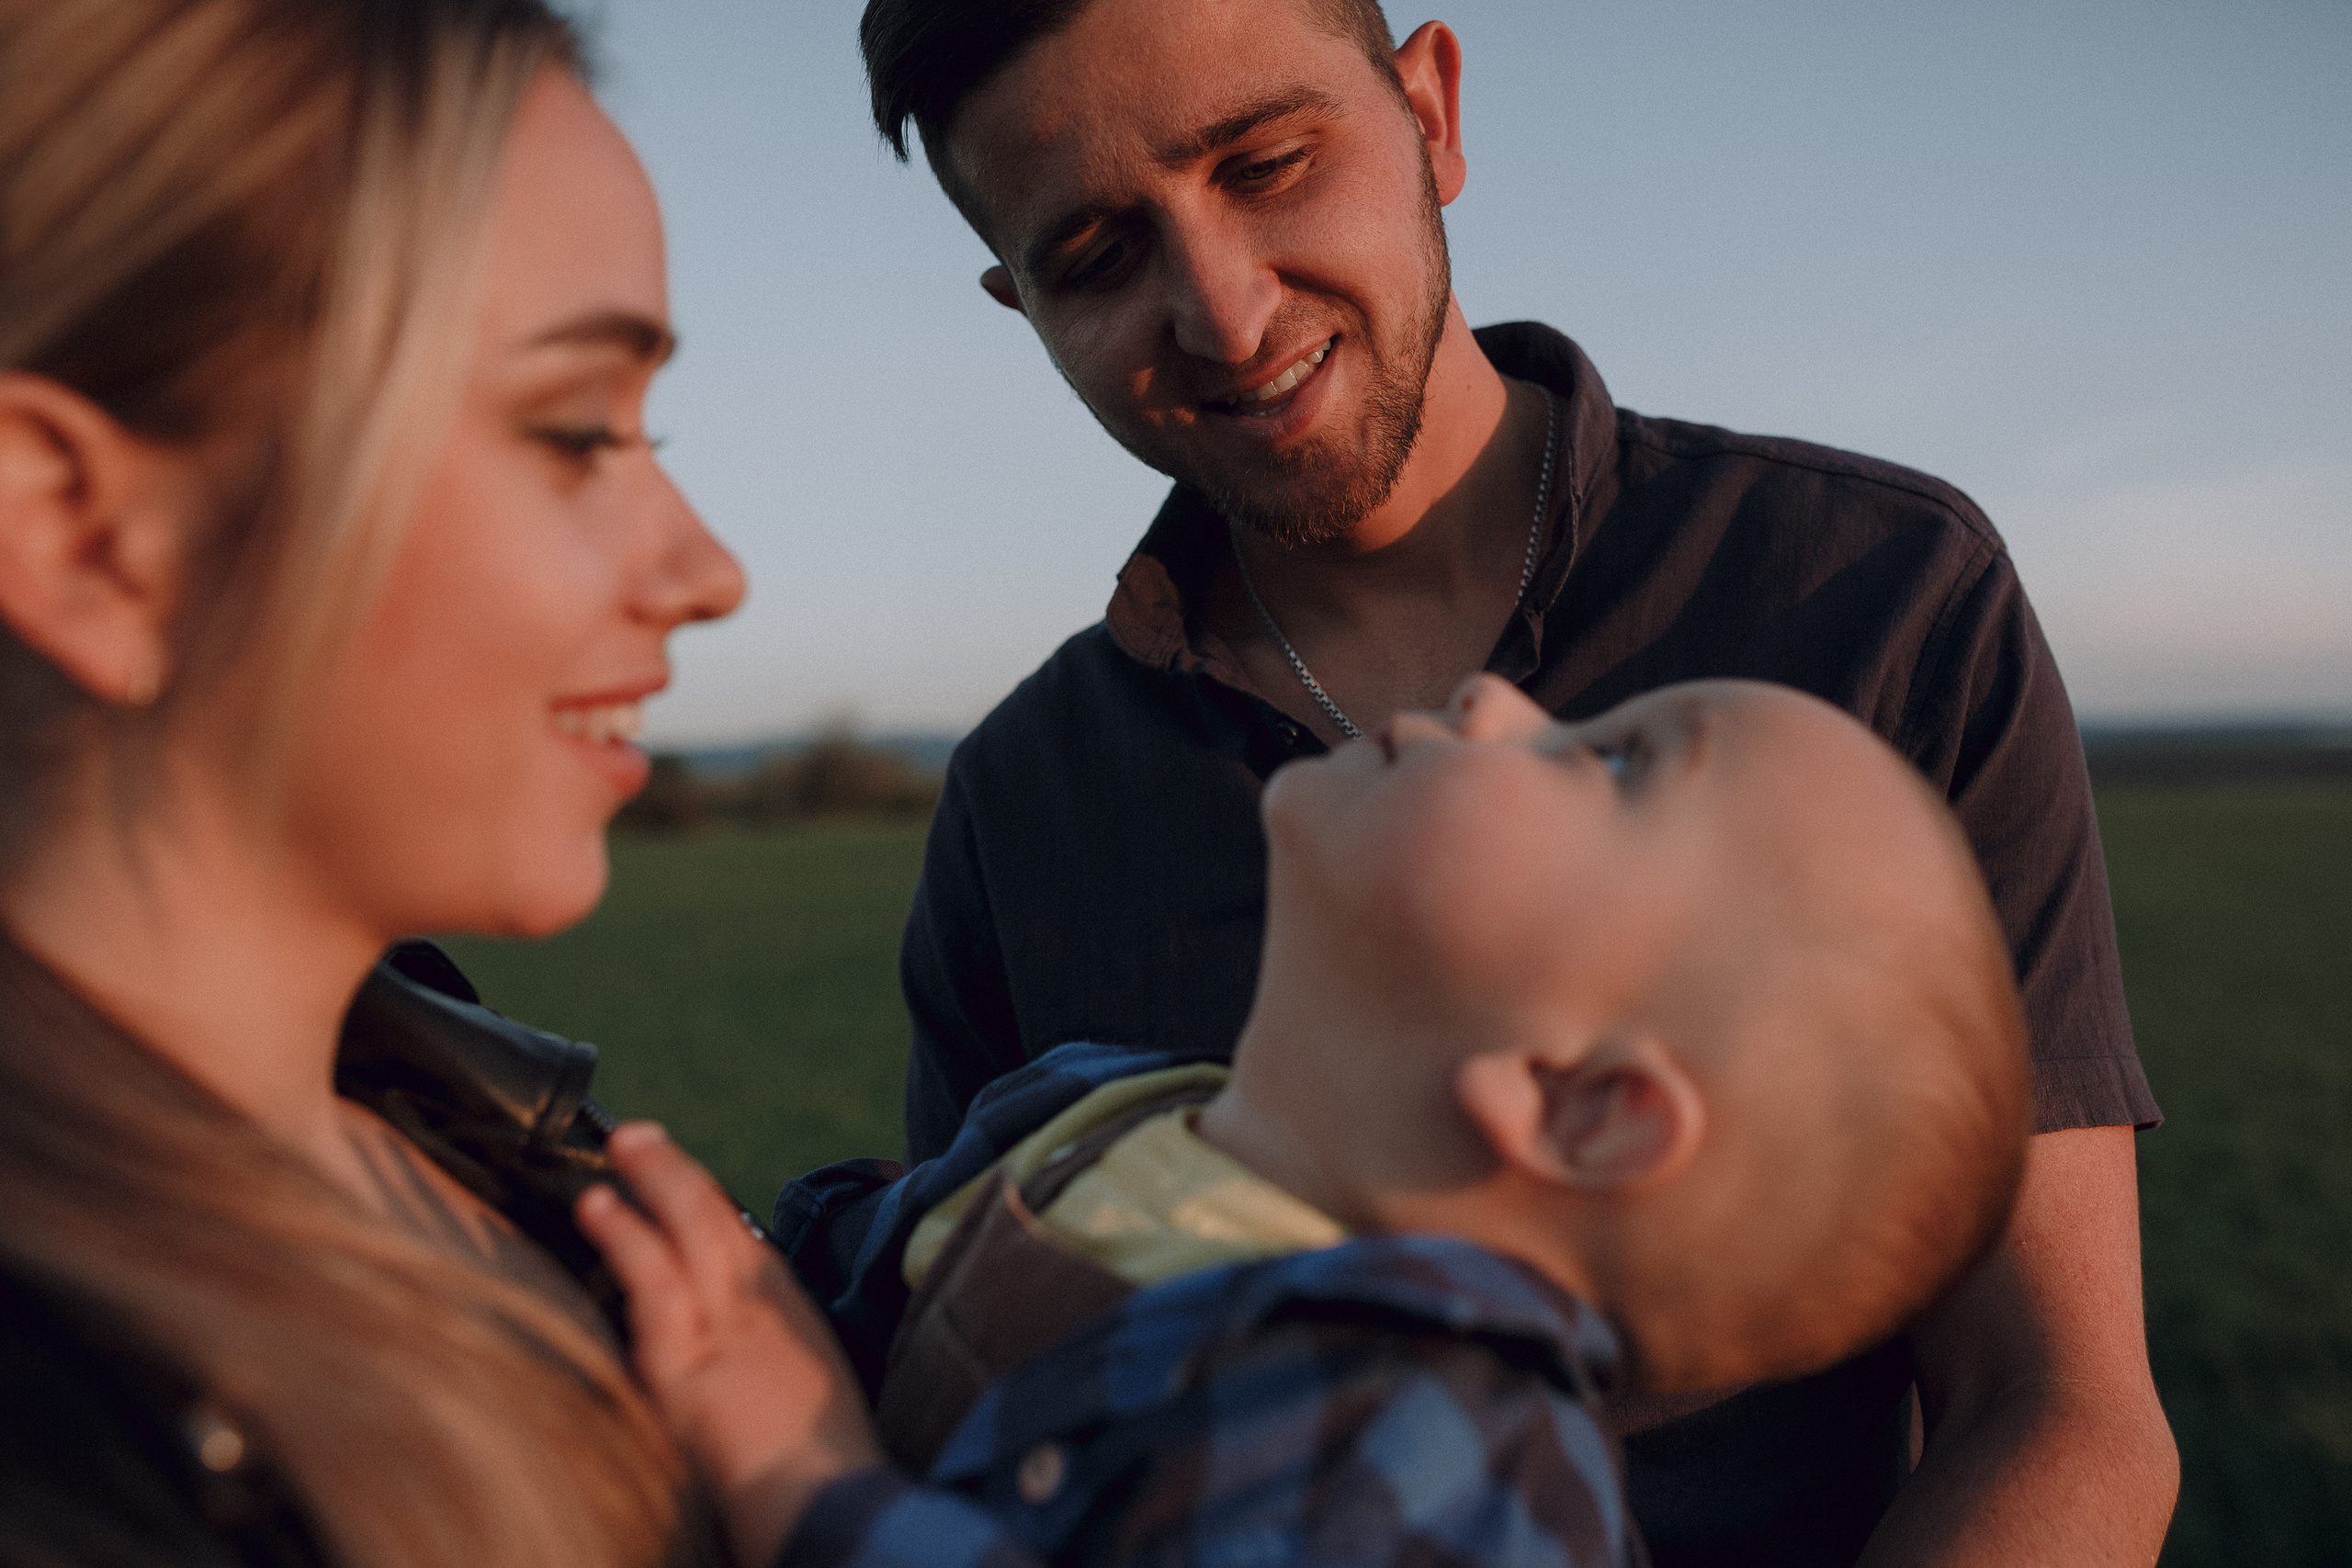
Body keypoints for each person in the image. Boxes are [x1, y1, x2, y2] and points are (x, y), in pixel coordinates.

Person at [852, 0, 2176, 1560]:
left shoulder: (1880, 592)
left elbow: (2057, 1406)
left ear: (1430, 111)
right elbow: (932, 1350)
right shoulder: (1021, 802)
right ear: (1021, 302)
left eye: (1268, 165)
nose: (1224, 311)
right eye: (1094, 257)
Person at [0, 2, 820, 1562]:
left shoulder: (427, 1094)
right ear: (82, 533)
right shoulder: (70, 1476)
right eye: (573, 431)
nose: (708, 571)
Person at [603, 674, 2032, 1568]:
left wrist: (803, 1483)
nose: (1499, 699)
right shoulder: (1102, 1106)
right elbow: (842, 1295)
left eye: (1607, 763)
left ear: (1583, 1104)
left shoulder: (1440, 1465)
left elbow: (791, 1405)